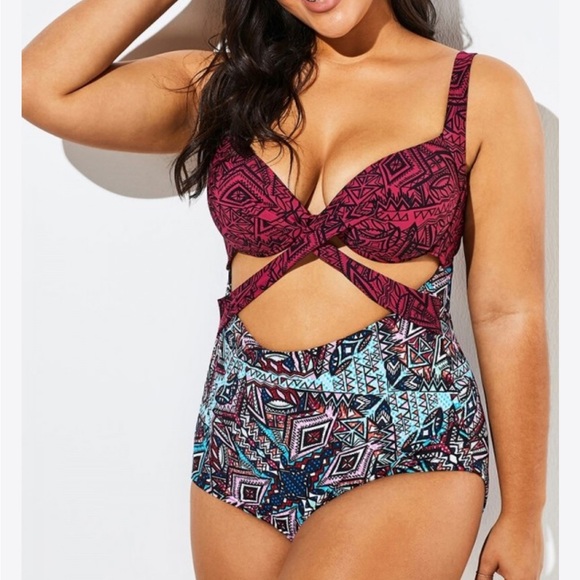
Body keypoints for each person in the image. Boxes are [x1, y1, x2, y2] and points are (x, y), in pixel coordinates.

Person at [22, 0, 550, 578]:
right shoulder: (229, 85)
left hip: (402, 434)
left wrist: (524, 511)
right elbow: (40, 87)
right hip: (240, 431)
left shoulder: (479, 92)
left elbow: (508, 312)